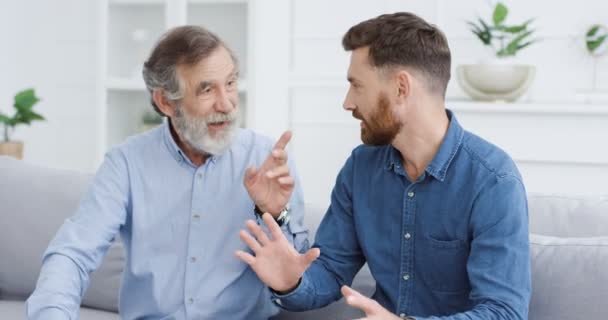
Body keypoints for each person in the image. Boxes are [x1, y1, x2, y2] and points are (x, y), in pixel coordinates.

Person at [236, 12, 531, 320]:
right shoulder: (360, 168)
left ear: (401, 88)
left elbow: (505, 312)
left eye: (357, 85)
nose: (347, 103)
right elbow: (330, 272)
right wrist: (291, 283)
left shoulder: (493, 180)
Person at [26, 25, 309, 320]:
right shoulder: (126, 163)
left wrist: (276, 215)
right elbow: (73, 253)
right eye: (207, 89)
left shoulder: (266, 159)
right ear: (165, 102)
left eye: (230, 83)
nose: (226, 104)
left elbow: (299, 286)